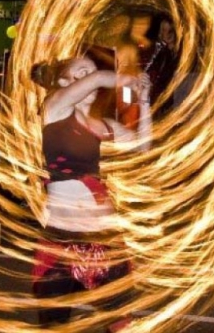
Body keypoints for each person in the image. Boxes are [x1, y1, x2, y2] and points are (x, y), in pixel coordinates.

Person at [30, 53, 152, 331]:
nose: (91, 78)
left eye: (92, 72)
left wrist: (143, 100)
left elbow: (143, 146)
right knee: (54, 325)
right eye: (82, 72)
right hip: (62, 242)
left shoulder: (103, 126)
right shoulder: (56, 109)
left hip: (105, 242)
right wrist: (128, 80)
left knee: (122, 322)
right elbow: (100, 78)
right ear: (64, 82)